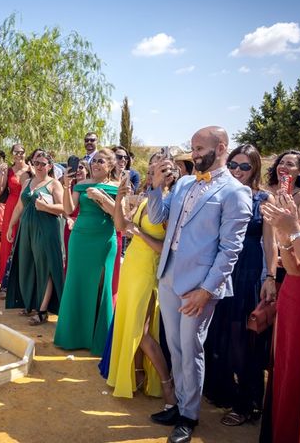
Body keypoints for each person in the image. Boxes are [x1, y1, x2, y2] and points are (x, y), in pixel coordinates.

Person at [146, 126, 252, 443]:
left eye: (199, 148)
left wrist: (206, 291)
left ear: (221, 148)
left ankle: (188, 417)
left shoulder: (236, 192)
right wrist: (156, 186)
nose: (193, 154)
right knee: (175, 347)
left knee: (191, 350)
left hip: (199, 285)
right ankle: (178, 404)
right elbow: (155, 217)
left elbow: (230, 250)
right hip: (168, 275)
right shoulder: (185, 183)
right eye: (192, 148)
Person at [203, 144, 277, 426]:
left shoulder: (264, 199)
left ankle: (249, 402)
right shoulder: (218, 193)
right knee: (215, 335)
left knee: (242, 341)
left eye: (245, 166)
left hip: (246, 273)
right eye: (233, 164)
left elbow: (270, 243)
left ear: (255, 169)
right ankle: (223, 391)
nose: (237, 171)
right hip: (218, 270)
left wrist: (270, 277)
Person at [101, 153, 177, 409]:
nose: (149, 174)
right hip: (132, 268)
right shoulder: (147, 201)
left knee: (142, 332)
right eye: (149, 171)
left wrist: (140, 233)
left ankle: (168, 387)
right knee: (130, 325)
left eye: (154, 171)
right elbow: (121, 226)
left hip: (147, 272)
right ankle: (139, 377)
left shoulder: (169, 206)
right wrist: (121, 197)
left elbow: (163, 248)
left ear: (166, 176)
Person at [260, 150, 300, 443]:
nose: (284, 166)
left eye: (291, 163)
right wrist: (271, 274)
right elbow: (275, 245)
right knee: (286, 362)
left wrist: (295, 223)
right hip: (293, 284)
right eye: (281, 162)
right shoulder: (271, 199)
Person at [54, 148, 118, 353]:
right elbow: (68, 209)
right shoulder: (81, 185)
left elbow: (120, 219)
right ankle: (72, 336)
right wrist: (66, 185)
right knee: (76, 283)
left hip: (104, 240)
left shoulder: (118, 186)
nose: (96, 164)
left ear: (111, 165)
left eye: (101, 161)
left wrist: (101, 197)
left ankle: (97, 340)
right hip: (80, 238)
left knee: (101, 285)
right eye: (94, 160)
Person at [5, 151, 64, 325]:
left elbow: (63, 208)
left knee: (45, 268)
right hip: (26, 229)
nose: (39, 166)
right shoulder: (28, 182)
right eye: (36, 163)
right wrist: (10, 226)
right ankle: (29, 303)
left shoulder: (54, 184)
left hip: (46, 229)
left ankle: (42, 310)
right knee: (26, 265)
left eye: (43, 164)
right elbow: (18, 207)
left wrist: (46, 207)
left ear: (50, 166)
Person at [0, 144, 29, 295]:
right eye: (16, 152)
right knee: (8, 243)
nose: (19, 155)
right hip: (10, 206)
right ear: (12, 154)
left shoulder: (31, 169)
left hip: (26, 207)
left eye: (22, 152)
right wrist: (2, 175)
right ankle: (5, 282)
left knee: (23, 243)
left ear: (25, 153)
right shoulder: (8, 170)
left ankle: (22, 283)